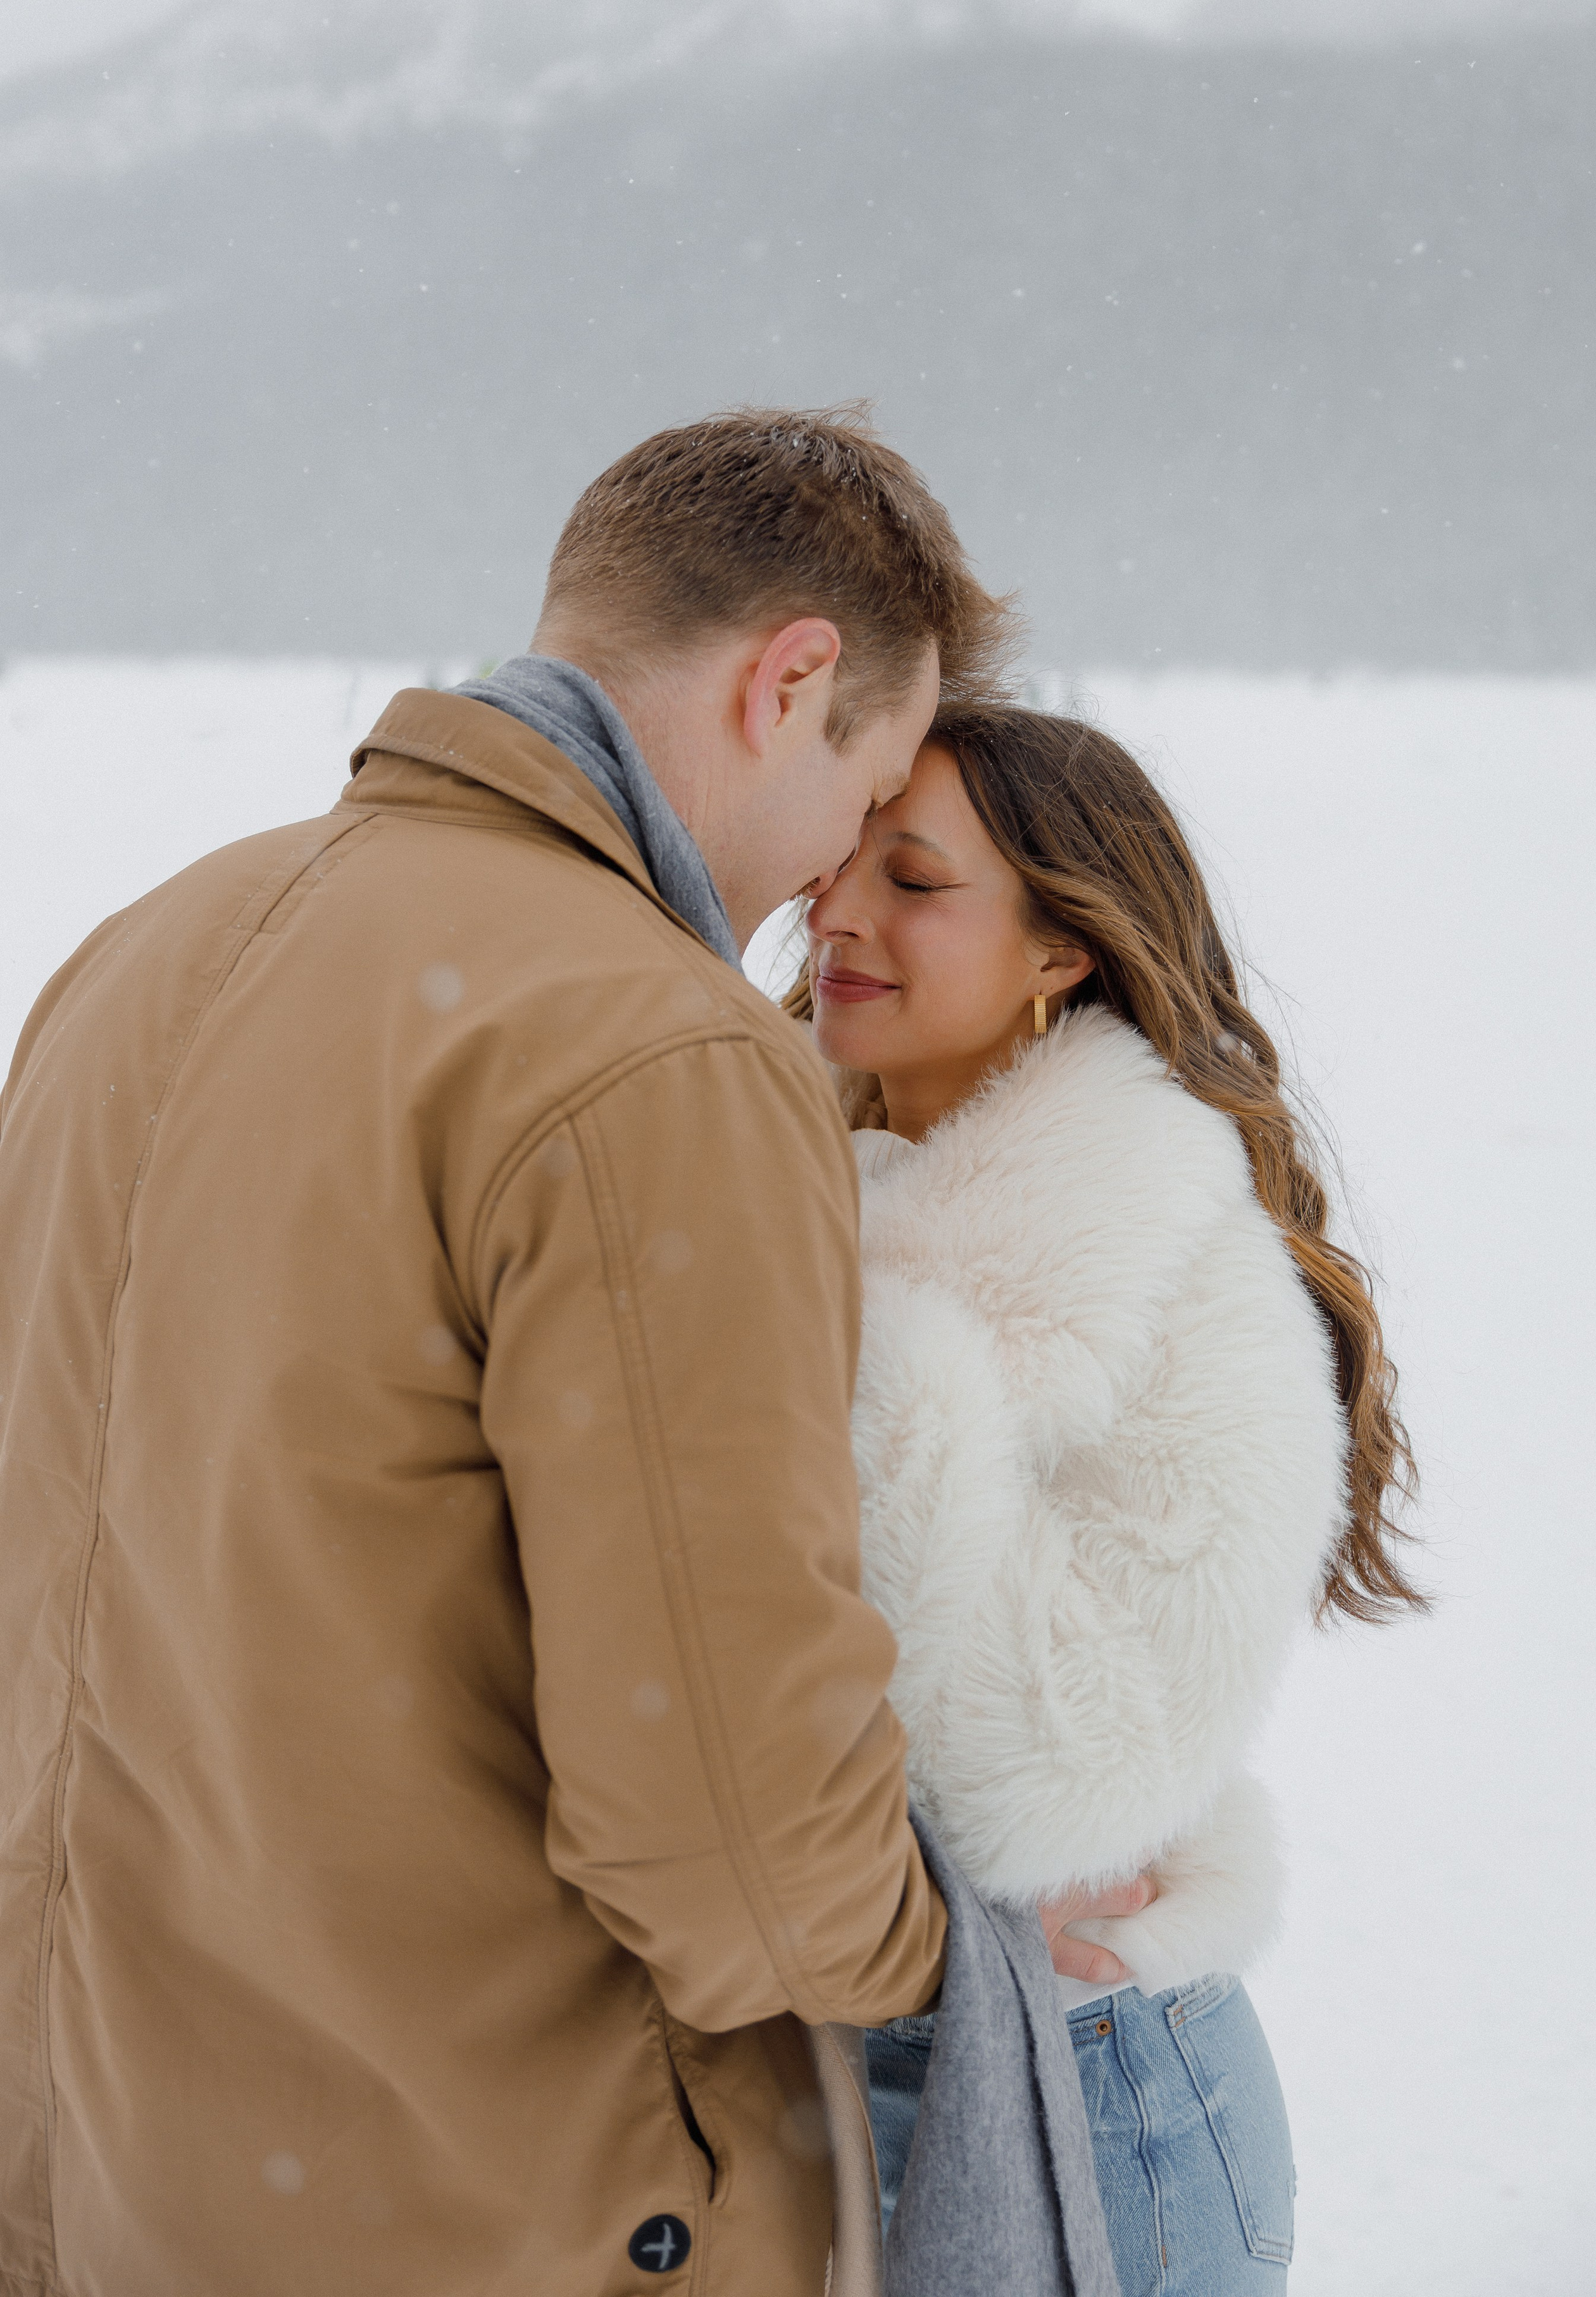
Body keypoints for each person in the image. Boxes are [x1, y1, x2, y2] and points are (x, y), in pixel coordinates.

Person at [0, 411, 1137, 2297]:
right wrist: (961, 1957)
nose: (824, 887)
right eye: (859, 805)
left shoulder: (133, 959)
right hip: (494, 2211)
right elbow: (733, 1828)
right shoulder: (660, 1056)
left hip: (117, 2173)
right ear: (791, 683)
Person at [795, 701, 1426, 2294]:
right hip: (927, 2063)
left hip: (1086, 2092)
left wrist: (868, 1348)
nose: (837, 912)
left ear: (1057, 953)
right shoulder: (874, 1196)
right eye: (835, 862)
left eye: (913, 880)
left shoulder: (1128, 1247)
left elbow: (1051, 1775)